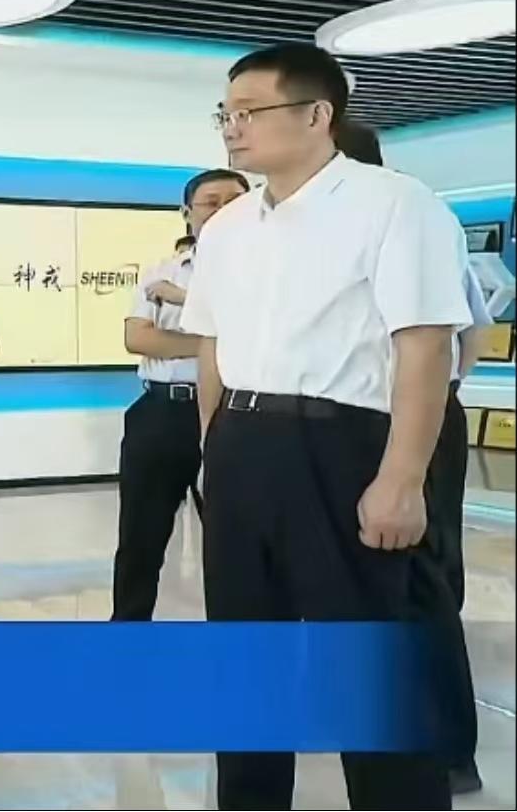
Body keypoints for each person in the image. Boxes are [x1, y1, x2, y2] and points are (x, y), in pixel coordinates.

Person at [180, 43, 466, 809]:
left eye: (250, 112)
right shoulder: (228, 227)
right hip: (241, 445)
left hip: (341, 445)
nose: (232, 128)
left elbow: (425, 346)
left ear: (316, 115)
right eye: (225, 114)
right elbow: (211, 346)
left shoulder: (394, 204)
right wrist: (213, 449)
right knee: (246, 658)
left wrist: (402, 479)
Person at [337, 119, 490, 796]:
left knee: (420, 577)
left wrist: (432, 397)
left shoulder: (412, 214)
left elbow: (457, 335)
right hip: (366, 416)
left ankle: (449, 750)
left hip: (405, 416)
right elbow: (476, 331)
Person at [111, 167, 248, 621]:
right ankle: (127, 633)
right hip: (162, 412)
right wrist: (217, 340)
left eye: (235, 201)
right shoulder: (162, 272)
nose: (223, 211)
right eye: (211, 202)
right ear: (187, 213)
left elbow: (264, 335)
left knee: (236, 540)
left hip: (235, 414)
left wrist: (185, 307)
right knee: (140, 537)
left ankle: (236, 638)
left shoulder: (265, 272)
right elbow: (138, 338)